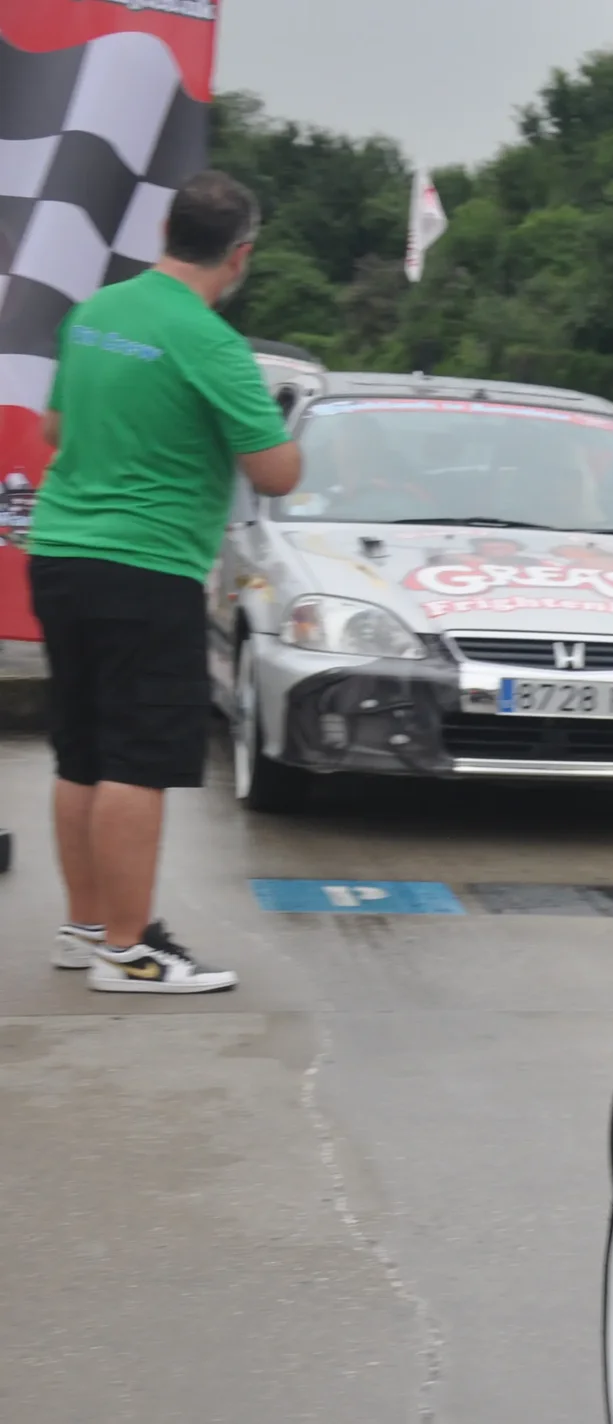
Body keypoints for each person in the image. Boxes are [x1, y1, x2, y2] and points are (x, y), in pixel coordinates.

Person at [29, 170, 301, 992]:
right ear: (240, 255)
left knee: (80, 754)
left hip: (60, 553)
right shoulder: (209, 341)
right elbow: (278, 472)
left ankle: (83, 928)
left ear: (164, 233)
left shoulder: (96, 313)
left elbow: (52, 426)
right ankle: (129, 947)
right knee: (136, 761)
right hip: (147, 568)